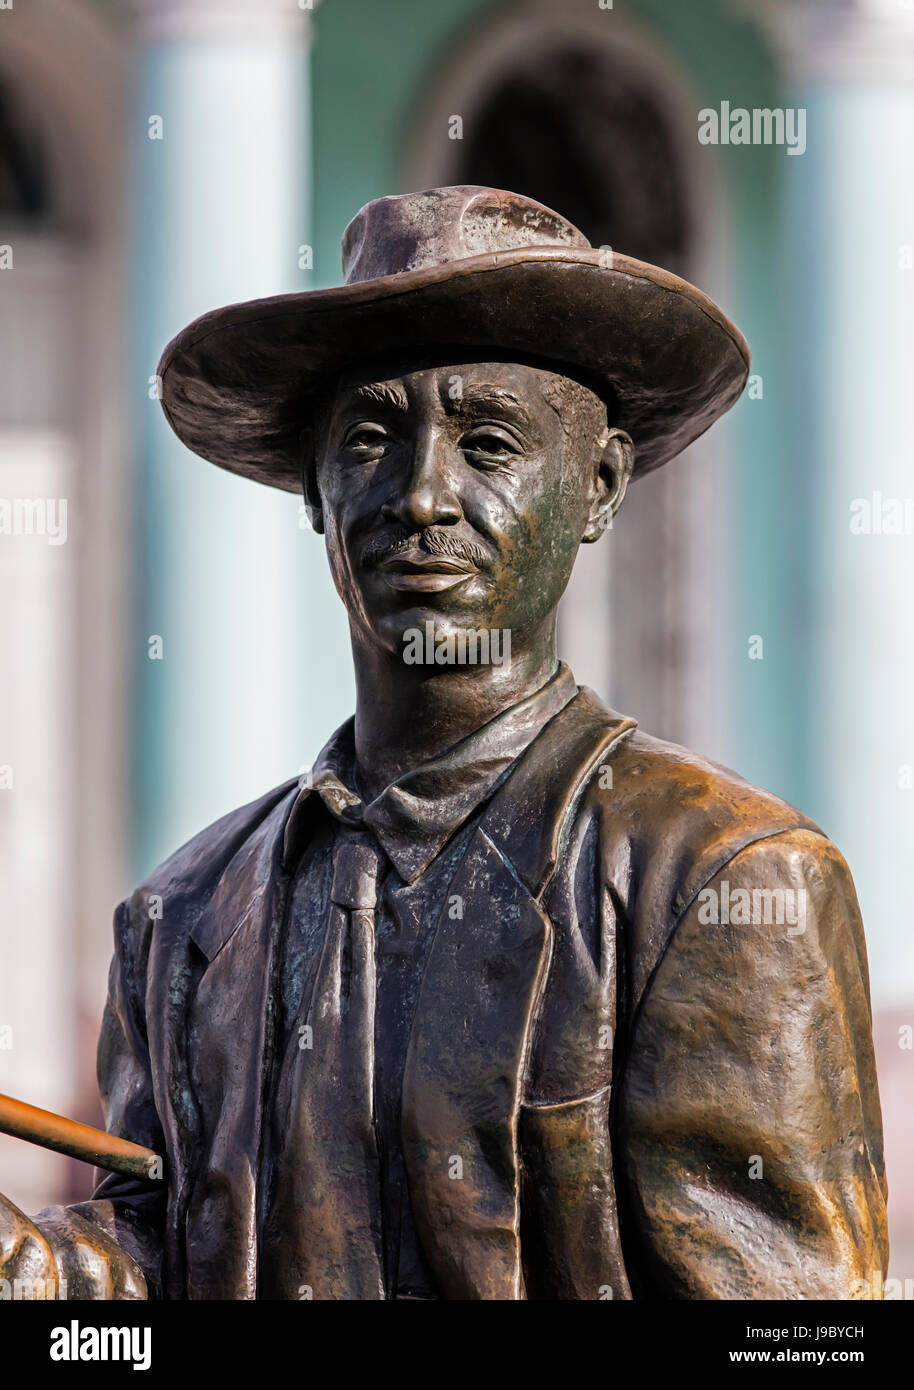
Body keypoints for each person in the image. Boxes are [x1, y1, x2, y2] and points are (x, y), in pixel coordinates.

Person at [0, 186, 888, 1299]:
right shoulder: (184, 915)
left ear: (598, 485)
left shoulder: (717, 882)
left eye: (488, 442)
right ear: (315, 495)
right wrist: (33, 1271)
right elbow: (148, 1259)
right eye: (369, 438)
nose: (420, 495)